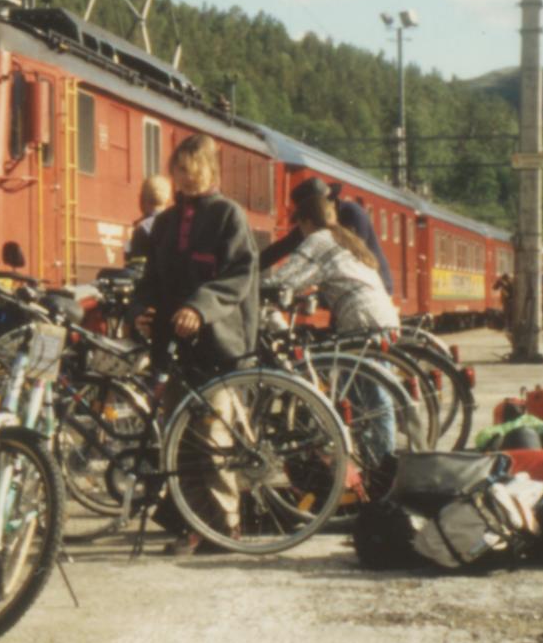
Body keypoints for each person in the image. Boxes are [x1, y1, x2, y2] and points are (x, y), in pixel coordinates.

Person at [129, 133, 259, 555]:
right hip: (176, 346)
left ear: (207, 169)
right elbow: (151, 280)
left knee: (213, 436)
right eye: (177, 169)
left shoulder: (228, 216)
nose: (183, 177)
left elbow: (239, 276)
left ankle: (225, 526)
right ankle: (192, 524)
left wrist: (201, 307)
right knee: (178, 435)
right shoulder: (165, 223)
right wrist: (141, 312)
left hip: (219, 344)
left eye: (190, 169)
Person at [260, 190, 400, 468]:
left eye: (299, 226)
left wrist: (257, 288)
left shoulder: (318, 240)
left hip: (362, 321)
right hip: (382, 317)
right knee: (369, 399)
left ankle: (384, 464)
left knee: (372, 400)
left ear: (306, 221)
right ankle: (378, 461)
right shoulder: (344, 237)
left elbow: (288, 278)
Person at [260, 177, 393, 293]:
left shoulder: (353, 213)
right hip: (348, 284)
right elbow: (282, 247)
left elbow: (353, 256)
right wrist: (249, 266)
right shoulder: (315, 223)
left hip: (375, 283)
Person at [125, 174, 173, 264]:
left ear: (142, 198)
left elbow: (131, 259)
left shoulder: (142, 228)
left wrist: (127, 243)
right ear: (167, 198)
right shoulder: (174, 223)